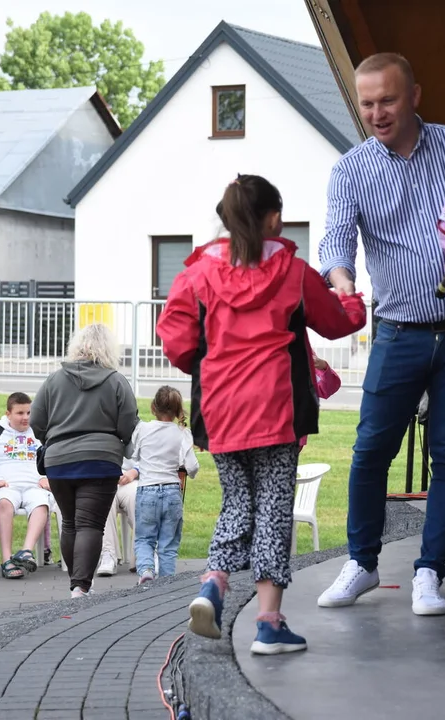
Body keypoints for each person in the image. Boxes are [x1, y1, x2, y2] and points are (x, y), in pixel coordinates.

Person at [315, 52, 445, 616]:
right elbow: (335, 242)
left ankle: (430, 572)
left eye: (388, 100)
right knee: (369, 450)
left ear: (415, 96)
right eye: (368, 103)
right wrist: (341, 282)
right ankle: (362, 562)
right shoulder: (351, 168)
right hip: (399, 331)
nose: (377, 112)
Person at [156, 173, 367, 655]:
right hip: (277, 409)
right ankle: (269, 623)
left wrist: (209, 366)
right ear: (274, 218)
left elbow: (176, 340)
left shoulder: (197, 273)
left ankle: (213, 583)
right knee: (273, 508)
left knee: (237, 501)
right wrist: (350, 292)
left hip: (221, 408)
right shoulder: (292, 273)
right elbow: (340, 322)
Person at [30, 323, 140, 599]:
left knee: (70, 522)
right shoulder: (116, 381)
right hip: (100, 461)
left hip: (58, 461)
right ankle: (80, 586)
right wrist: (115, 442)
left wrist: (54, 441)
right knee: (91, 524)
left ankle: (76, 583)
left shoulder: (53, 380)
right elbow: (129, 424)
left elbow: (36, 421)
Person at [122, 386, 200, 585]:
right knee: (168, 544)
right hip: (173, 491)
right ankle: (166, 584)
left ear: (153, 407)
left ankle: (147, 570)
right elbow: (192, 468)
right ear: (177, 410)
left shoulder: (143, 429)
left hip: (147, 490)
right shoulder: (183, 433)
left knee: (144, 539)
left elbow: (133, 455)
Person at [0, 392, 51, 579]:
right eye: (20, 413)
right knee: (4, 502)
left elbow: (53, 458)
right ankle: (6, 560)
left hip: (34, 485)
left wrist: (47, 477)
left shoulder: (40, 431)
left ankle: (26, 551)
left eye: (29, 413)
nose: (26, 418)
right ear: (8, 413)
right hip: (6, 484)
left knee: (41, 504)